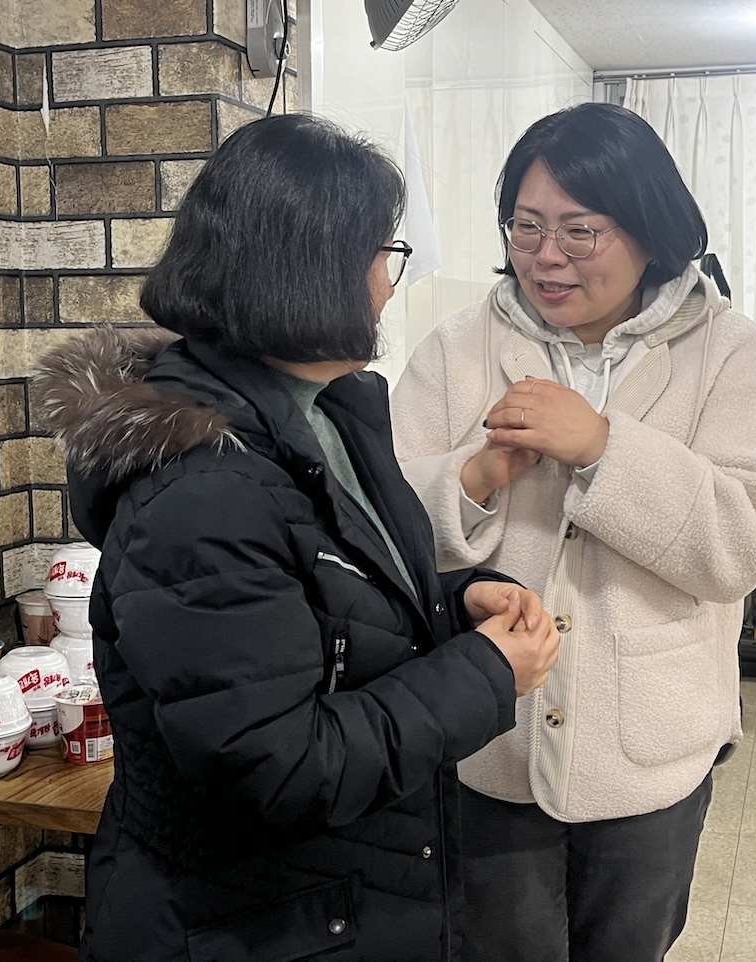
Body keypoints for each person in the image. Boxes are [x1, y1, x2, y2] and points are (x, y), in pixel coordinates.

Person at [33, 114, 559, 962]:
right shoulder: (201, 490)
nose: (391, 282)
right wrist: (486, 674)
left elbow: (322, 608)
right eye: (385, 253)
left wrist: (453, 605)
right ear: (314, 270)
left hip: (332, 901)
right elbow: (274, 766)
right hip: (248, 924)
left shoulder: (330, 413)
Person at [391, 102, 756, 962]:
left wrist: (604, 448)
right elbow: (387, 532)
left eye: (581, 231)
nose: (547, 256)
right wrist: (473, 478)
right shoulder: (456, 350)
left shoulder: (727, 352)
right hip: (491, 741)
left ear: (649, 230)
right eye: (527, 227)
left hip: (651, 752)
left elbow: (743, 543)